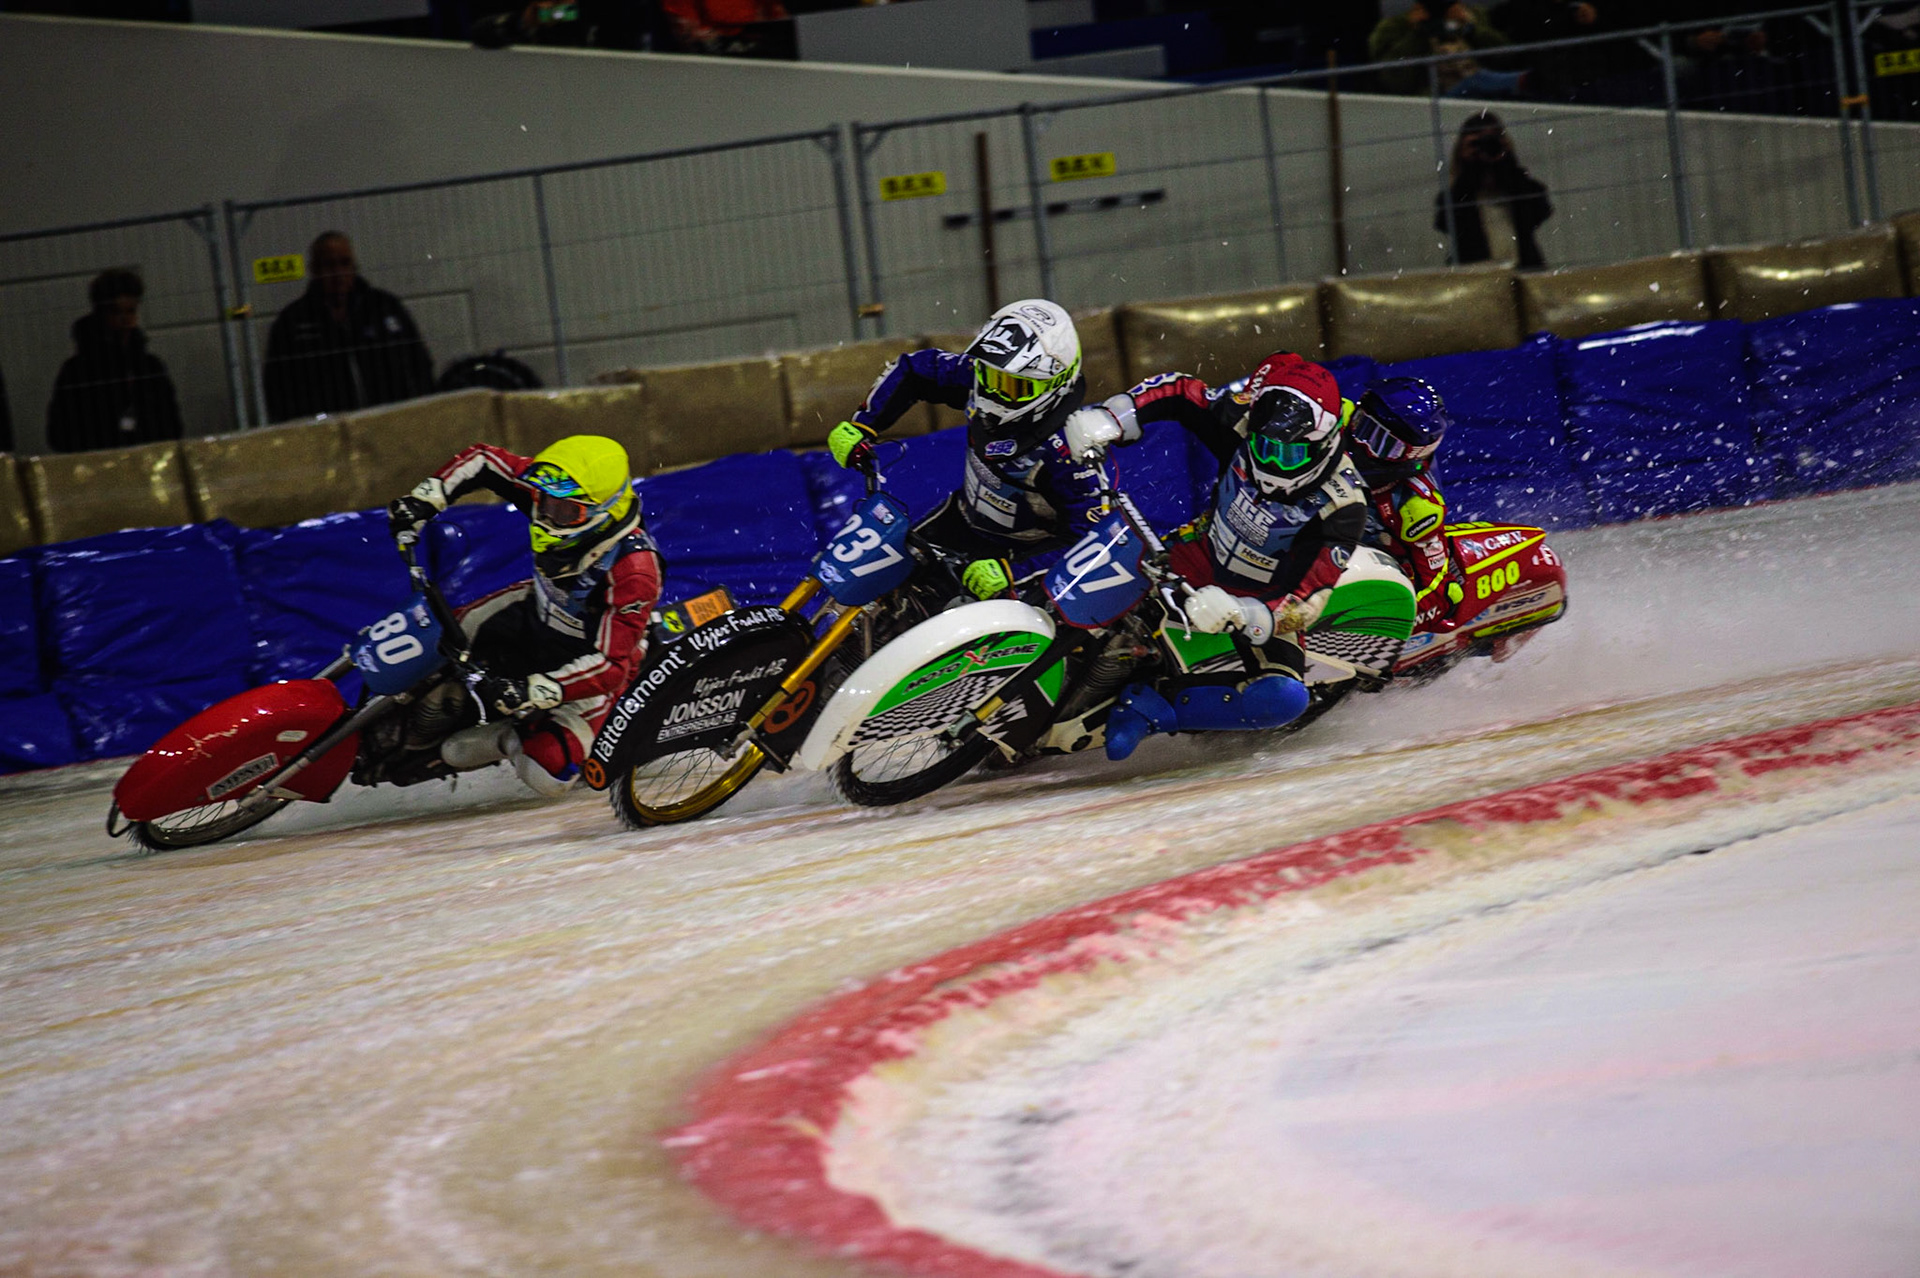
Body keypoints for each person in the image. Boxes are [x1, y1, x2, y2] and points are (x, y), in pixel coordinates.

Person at [1064, 352, 1373, 760]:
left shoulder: (1344, 503)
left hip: (1260, 597)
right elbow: (1179, 391)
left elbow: (1308, 599)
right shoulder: (1241, 418)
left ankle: (1152, 707)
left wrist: (1245, 613)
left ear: (1323, 443)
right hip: (1200, 552)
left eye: (1289, 455)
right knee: (1102, 581)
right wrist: (1114, 417)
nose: (1271, 462)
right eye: (1263, 446)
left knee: (1282, 698)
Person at [385, 434, 664, 795]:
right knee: (431, 638)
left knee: (546, 773)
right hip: (533, 612)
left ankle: (507, 736)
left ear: (603, 511)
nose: (546, 516)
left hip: (586, 665)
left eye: (566, 511)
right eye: (544, 501)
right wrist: (426, 498)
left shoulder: (635, 570)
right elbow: (484, 459)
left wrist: (534, 691)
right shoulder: (551, 490)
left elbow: (611, 666)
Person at [827, 299, 1131, 599]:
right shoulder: (977, 379)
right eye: (992, 376)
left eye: (1015, 387)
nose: (995, 392)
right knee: (884, 584)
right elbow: (915, 369)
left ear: (1056, 384)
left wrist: (1015, 572)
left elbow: (1094, 538)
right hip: (962, 519)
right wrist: (864, 425)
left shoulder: (1072, 449)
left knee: (952, 626)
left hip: (1021, 556)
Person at [263, 231, 434, 423]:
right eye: (329, 265)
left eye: (344, 263)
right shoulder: (293, 322)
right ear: (315, 270)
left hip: (391, 421)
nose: (338, 273)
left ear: (354, 267)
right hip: (326, 428)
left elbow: (420, 363)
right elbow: (276, 388)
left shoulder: (385, 308)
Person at [1347, 376, 1462, 631]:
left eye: (1379, 442)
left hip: (1370, 578)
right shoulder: (1341, 417)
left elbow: (1439, 593)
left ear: (1409, 455)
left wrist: (1375, 624)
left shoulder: (1417, 508)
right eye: (1362, 425)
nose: (1360, 442)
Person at [46, 268, 185, 454]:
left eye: (131, 311)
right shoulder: (77, 371)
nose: (125, 320)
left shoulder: (150, 366)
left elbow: (171, 423)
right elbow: (60, 431)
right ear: (101, 314)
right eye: (116, 312)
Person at [1436, 110, 1552, 268]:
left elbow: (1541, 210)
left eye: (1493, 140)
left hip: (1523, 270)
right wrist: (1468, 164)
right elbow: (1446, 224)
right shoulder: (1457, 195)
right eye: (1477, 143)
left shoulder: (1517, 187)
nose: (1487, 147)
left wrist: (1507, 159)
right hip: (1477, 275)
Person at [1370, 3, 1525, 96]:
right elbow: (1392, 80)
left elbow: (1507, 56)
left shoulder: (1472, 15)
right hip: (1438, 97)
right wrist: (1417, 34)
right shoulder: (1395, 26)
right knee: (1476, 81)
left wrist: (1471, 29)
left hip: (1485, 92)